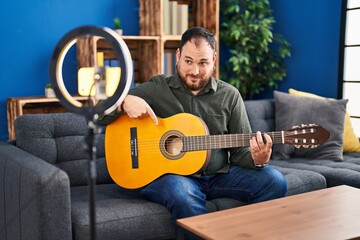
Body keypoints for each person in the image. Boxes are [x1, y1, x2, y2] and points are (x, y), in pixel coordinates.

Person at [98, 26, 287, 238]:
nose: (195, 71)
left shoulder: (230, 95)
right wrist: (124, 102)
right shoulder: (157, 88)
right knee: (182, 193)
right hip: (172, 178)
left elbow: (240, 152)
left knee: (275, 180)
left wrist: (257, 158)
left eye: (203, 63)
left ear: (214, 59)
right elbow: (99, 113)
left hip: (218, 176)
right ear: (178, 56)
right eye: (188, 61)